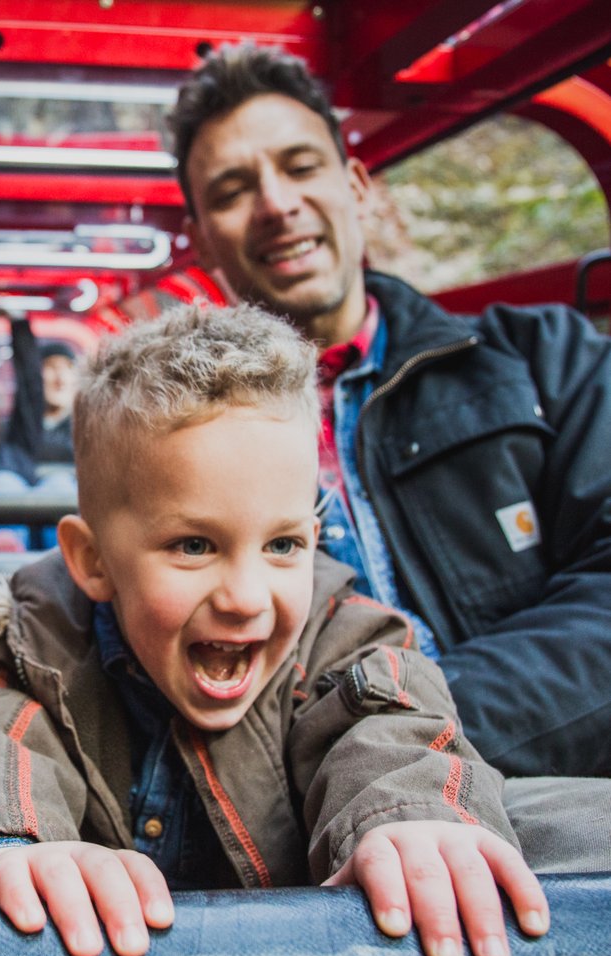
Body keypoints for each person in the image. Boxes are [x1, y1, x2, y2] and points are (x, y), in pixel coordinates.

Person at [0, 306, 611, 956]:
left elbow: (387, 723)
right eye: (194, 545)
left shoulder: (344, 636)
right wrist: (11, 848)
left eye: (283, 544)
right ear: (94, 562)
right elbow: (2, 742)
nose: (248, 597)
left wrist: (408, 820)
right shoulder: (35, 648)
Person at [171, 43, 611, 778]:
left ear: (359, 186)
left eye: (301, 167)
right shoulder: (175, 436)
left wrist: (402, 733)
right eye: (232, 190)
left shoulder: (546, 359)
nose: (277, 204)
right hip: (314, 848)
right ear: (204, 238)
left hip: (551, 789)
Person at [0, 308, 78, 465]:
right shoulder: (20, 428)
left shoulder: (85, 428)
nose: (61, 378)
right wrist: (19, 324)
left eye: (68, 368)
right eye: (52, 367)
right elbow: (29, 381)